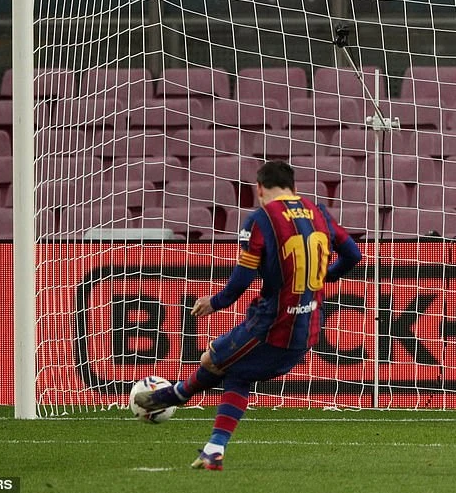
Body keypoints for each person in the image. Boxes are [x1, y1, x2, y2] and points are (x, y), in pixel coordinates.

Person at [135, 160, 362, 470]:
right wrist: (328, 275)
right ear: (293, 187)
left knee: (211, 359)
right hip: (308, 327)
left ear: (259, 189)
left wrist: (215, 302)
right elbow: (353, 255)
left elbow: (243, 278)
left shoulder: (261, 219)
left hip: (271, 325)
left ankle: (175, 395)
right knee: (238, 373)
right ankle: (214, 450)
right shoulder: (318, 211)